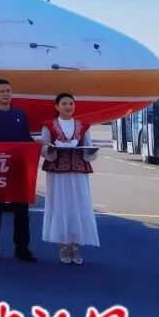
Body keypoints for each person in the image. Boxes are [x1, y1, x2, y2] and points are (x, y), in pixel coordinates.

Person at [0, 78, 37, 262]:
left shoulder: (20, 115)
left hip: (18, 168)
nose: (5, 94)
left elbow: (26, 139)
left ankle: (22, 249)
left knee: (22, 212)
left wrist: (38, 145)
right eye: (2, 91)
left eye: (8, 91)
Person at [39, 93, 99, 265]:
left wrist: (91, 151)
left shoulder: (83, 126)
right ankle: (63, 245)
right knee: (59, 205)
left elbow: (88, 147)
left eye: (71, 103)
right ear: (56, 106)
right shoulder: (49, 126)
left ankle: (75, 245)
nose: (68, 106)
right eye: (64, 103)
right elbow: (43, 148)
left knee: (78, 206)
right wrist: (51, 149)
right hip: (57, 171)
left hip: (78, 171)